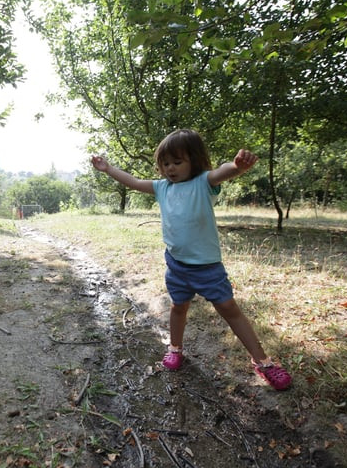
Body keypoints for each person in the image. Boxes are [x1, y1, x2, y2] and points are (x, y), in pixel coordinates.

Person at [91, 129, 292, 390]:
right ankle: (175, 348)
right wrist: (108, 169)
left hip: (208, 268)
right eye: (165, 164)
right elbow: (133, 181)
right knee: (178, 307)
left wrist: (237, 166)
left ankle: (263, 361)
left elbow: (223, 171)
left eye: (177, 162)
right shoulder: (162, 187)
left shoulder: (204, 183)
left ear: (194, 161)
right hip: (176, 266)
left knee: (230, 309)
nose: (170, 169)